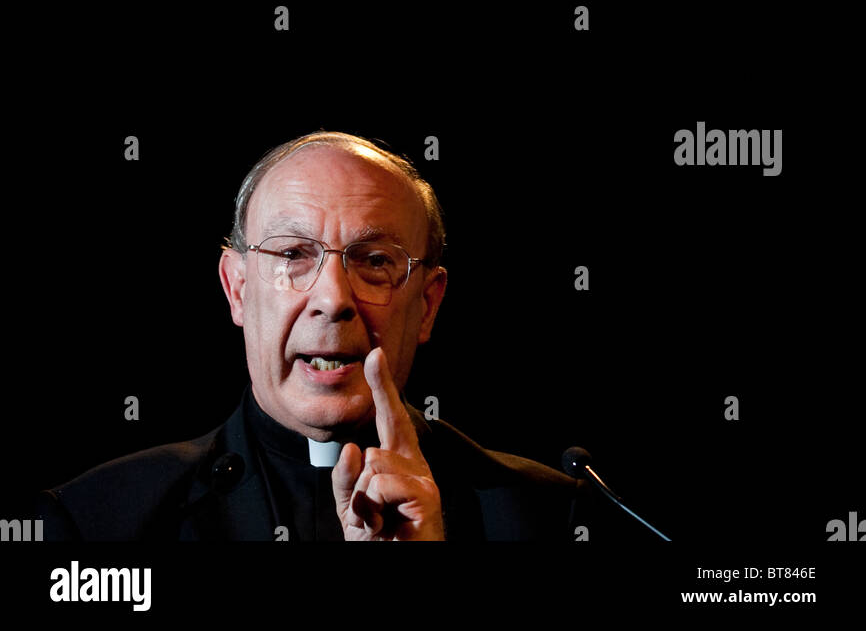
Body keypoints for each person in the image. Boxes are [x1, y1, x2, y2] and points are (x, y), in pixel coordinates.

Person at [34, 131, 633, 542]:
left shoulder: (558, 518)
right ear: (237, 289)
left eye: (374, 260)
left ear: (427, 304)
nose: (332, 300)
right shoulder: (97, 519)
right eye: (294, 254)